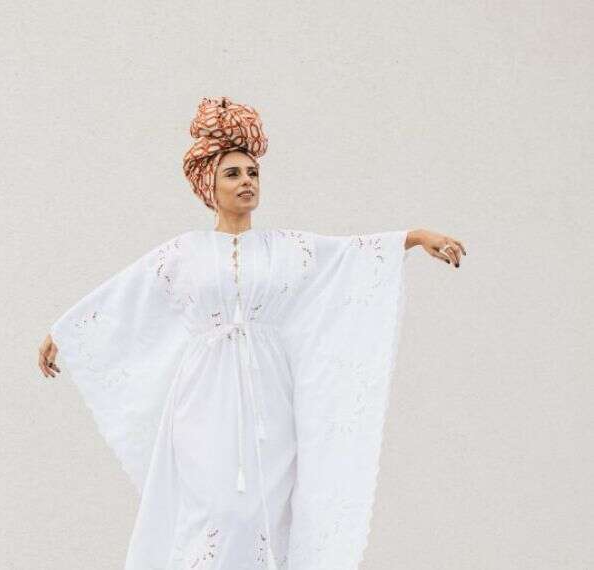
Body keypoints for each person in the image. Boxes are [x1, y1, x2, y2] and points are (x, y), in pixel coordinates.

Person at [36, 96, 465, 570]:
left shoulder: (286, 248)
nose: (247, 182)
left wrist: (415, 237)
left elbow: (346, 256)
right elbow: (126, 297)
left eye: (253, 173)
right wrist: (67, 332)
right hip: (202, 398)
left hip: (269, 397)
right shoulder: (183, 252)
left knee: (263, 510)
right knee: (215, 510)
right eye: (233, 174)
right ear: (210, 185)